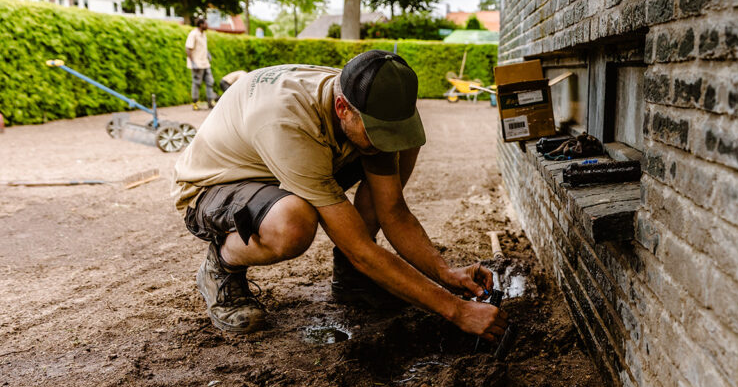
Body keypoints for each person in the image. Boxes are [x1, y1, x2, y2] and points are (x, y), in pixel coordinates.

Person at [171, 50, 507, 344]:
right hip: (215, 188)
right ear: (342, 107)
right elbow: (359, 247)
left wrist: (445, 273)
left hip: (287, 168)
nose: (382, 143)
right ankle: (221, 266)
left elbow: (392, 211)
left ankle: (352, 280)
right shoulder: (286, 120)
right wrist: (456, 310)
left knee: (403, 148)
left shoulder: (369, 101)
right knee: (293, 222)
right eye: (376, 133)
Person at [186, 17, 216, 110]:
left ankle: (210, 102)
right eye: (205, 24)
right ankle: (195, 103)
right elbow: (188, 49)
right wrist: (193, 63)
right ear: (201, 24)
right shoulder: (193, 34)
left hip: (205, 63)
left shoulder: (203, 35)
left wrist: (208, 54)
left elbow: (203, 47)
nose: (207, 25)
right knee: (196, 84)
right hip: (197, 64)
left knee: (210, 82)